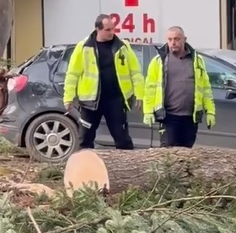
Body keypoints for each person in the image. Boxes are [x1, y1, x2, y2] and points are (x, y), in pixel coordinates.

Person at [62, 14, 144, 150]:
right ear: (97, 29)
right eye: (108, 30)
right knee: (85, 139)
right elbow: (72, 74)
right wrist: (68, 97)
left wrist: (139, 94)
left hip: (115, 100)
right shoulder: (84, 47)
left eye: (113, 29)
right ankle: (86, 163)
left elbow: (135, 72)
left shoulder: (122, 46)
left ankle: (126, 163)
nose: (112, 32)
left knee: (122, 139)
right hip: (90, 102)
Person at [142, 26, 215, 148]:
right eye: (170, 39)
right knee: (168, 151)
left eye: (176, 39)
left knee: (186, 152)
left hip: (190, 117)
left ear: (184, 39)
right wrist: (148, 111)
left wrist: (210, 111)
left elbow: (205, 88)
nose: (173, 42)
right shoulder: (159, 61)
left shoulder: (197, 61)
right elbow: (150, 88)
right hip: (168, 116)